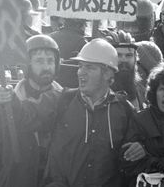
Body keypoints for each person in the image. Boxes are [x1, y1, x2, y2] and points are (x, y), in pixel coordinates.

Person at [44, 38, 145, 187]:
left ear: (107, 74)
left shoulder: (125, 110)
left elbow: (131, 163)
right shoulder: (62, 101)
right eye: (80, 66)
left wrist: (142, 148)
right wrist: (5, 98)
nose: (80, 73)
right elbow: (28, 119)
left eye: (89, 67)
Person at [0, 34, 63, 187]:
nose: (46, 67)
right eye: (39, 61)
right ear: (27, 65)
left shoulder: (66, 102)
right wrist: (1, 181)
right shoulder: (1, 105)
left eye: (50, 61)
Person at [100, 29, 148, 111]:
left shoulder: (141, 91)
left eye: (129, 55)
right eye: (118, 55)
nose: (124, 60)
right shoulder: (98, 93)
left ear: (135, 59)